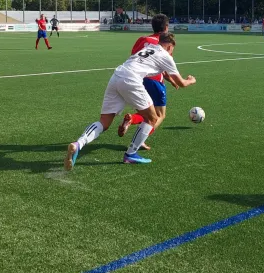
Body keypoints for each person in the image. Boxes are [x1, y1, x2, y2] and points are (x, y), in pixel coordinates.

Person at [64, 33, 196, 171]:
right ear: (170, 46)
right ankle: (131, 154)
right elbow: (182, 83)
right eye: (172, 50)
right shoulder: (166, 56)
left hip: (116, 76)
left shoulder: (150, 47)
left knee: (104, 122)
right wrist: (191, 80)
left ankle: (78, 144)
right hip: (131, 80)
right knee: (152, 118)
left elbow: (163, 70)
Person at [118, 14, 178, 150]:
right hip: (155, 81)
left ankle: (132, 120)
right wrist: (172, 81)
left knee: (148, 112)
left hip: (137, 79)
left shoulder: (143, 39)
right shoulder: (164, 44)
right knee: (159, 115)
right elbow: (164, 67)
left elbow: (134, 57)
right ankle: (140, 140)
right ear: (166, 27)